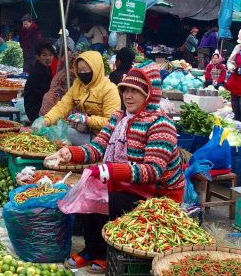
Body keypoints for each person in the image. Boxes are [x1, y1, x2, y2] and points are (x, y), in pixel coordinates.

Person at [45, 61, 185, 273]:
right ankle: (91, 250)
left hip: (158, 195)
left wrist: (108, 170)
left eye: (135, 91)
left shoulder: (161, 125)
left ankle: (102, 253)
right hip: (126, 185)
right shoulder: (119, 118)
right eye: (125, 90)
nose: (128, 96)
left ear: (150, 94)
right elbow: (98, 146)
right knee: (88, 193)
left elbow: (152, 171)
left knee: (104, 202)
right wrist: (70, 153)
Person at [42, 50, 121, 146]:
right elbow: (62, 106)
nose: (82, 73)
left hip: (103, 138)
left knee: (60, 138)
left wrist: (87, 120)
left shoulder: (109, 89)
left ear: (95, 69)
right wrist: (46, 120)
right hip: (84, 132)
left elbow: (111, 122)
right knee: (51, 134)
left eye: (85, 70)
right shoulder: (77, 85)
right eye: (79, 70)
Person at [24, 43, 55, 122]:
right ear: (38, 57)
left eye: (51, 55)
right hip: (35, 111)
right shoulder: (38, 71)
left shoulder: (45, 68)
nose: (48, 58)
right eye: (44, 55)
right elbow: (46, 93)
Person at [40, 51, 76, 116]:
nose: (48, 58)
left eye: (50, 55)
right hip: (53, 106)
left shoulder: (64, 72)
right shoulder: (63, 74)